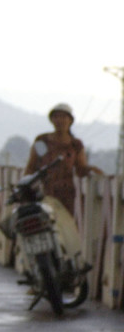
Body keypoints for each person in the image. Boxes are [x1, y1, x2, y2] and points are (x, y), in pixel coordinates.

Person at [24, 103, 98, 266]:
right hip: (44, 193)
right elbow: (31, 166)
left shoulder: (75, 144)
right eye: (56, 117)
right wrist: (26, 186)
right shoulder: (42, 140)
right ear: (51, 120)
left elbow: (80, 169)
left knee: (64, 233)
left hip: (67, 196)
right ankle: (42, 273)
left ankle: (65, 270)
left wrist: (94, 172)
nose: (60, 121)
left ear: (70, 121)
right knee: (41, 233)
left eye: (64, 117)